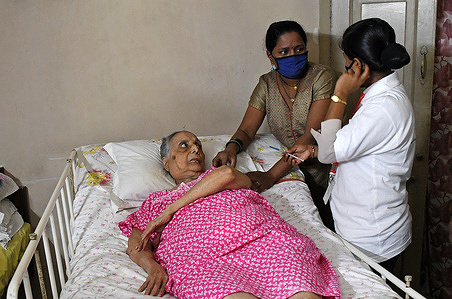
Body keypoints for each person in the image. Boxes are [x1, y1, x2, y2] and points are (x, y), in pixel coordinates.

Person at [119, 131, 340, 298]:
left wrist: (170, 211)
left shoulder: (219, 175)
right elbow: (137, 244)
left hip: (264, 242)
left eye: (197, 145)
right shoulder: (156, 201)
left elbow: (225, 174)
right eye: (184, 146)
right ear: (167, 162)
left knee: (302, 290)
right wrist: (153, 267)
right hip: (204, 259)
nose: (195, 149)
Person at [285, 18, 415, 272]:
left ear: (358, 64)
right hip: (363, 224)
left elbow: (329, 151)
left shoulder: (383, 107)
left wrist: (340, 93)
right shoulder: (381, 98)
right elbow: (357, 146)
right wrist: (312, 150)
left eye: (346, 59)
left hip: (372, 236)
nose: (344, 67)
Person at [212, 20, 336, 230]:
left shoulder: (321, 77)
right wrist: (231, 148)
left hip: (323, 172)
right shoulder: (266, 84)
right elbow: (246, 129)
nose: (293, 56)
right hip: (292, 171)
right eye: (284, 51)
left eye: (299, 49)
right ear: (271, 55)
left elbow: (309, 137)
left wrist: (270, 175)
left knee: (332, 229)